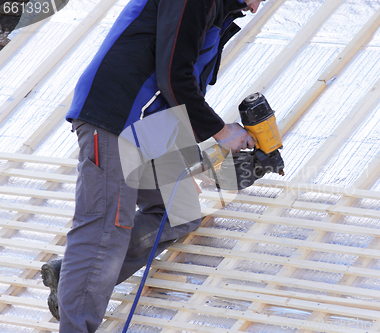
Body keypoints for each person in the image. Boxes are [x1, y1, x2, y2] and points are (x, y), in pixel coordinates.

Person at [40, 0, 263, 331]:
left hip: (149, 128)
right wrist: (220, 132)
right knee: (105, 228)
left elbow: (177, 97)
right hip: (117, 116)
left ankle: (71, 276)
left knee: (179, 211)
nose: (257, 7)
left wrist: (219, 155)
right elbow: (174, 77)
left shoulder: (218, 11)